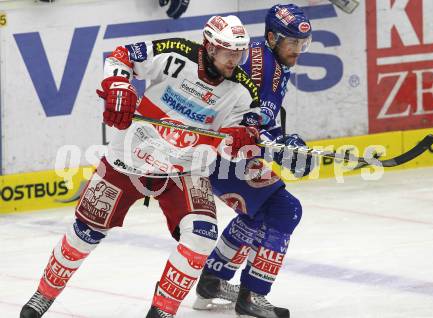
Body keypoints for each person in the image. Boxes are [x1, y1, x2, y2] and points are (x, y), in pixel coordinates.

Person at [20, 15, 261, 318]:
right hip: (129, 158)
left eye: (239, 54)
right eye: (229, 53)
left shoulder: (243, 90)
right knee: (85, 232)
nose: (235, 61)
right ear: (210, 48)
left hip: (184, 169)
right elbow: (122, 55)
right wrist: (119, 85)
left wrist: (241, 139)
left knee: (201, 235)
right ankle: (42, 296)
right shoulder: (176, 52)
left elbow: (242, 142)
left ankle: (162, 312)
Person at [192, 4, 314, 318]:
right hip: (221, 155)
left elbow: (260, 122)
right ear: (272, 37)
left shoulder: (269, 58)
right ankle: (252, 295)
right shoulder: (264, 66)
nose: (298, 50)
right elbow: (245, 124)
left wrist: (284, 142)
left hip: (221, 154)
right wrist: (279, 146)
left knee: (257, 214)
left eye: (303, 43)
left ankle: (212, 282)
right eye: (292, 43)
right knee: (285, 210)